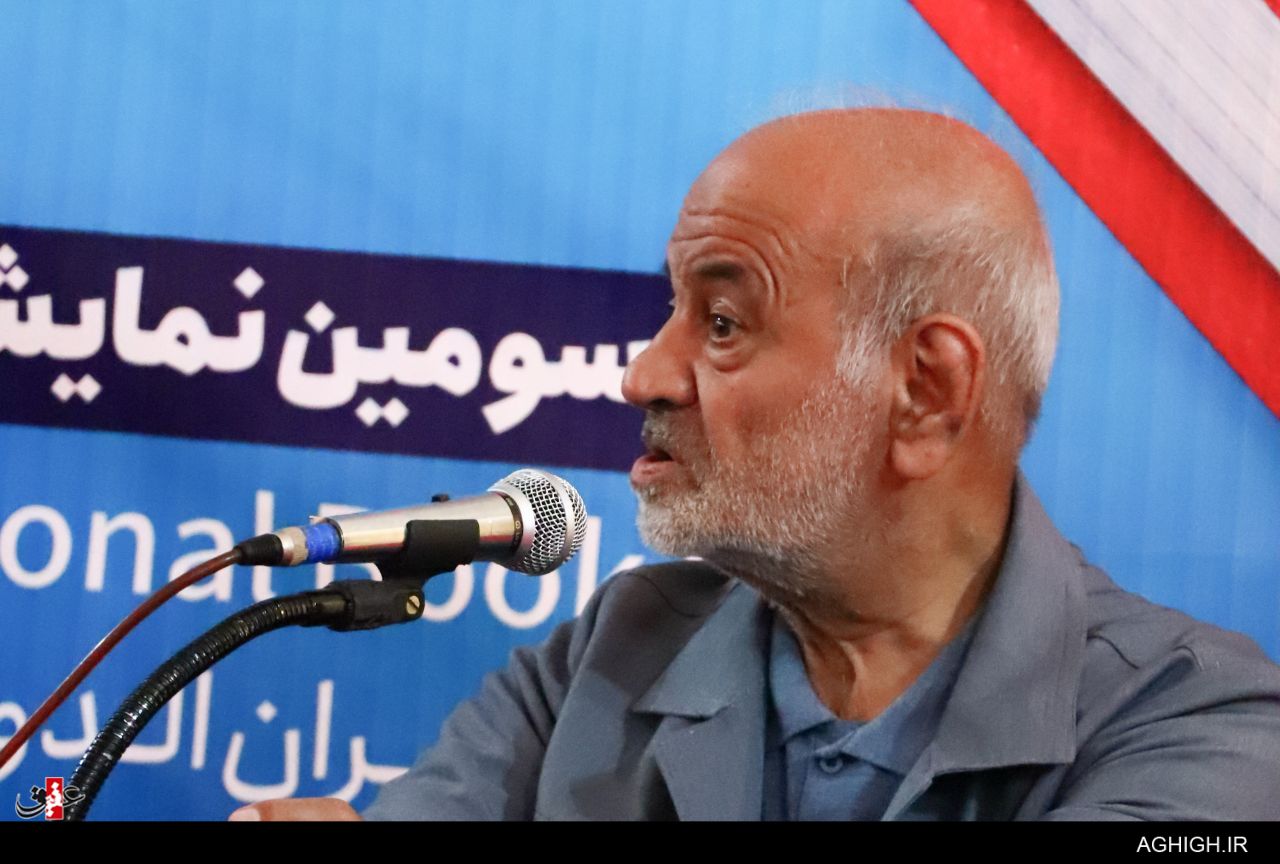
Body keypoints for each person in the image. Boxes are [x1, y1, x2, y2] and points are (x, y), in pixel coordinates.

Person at [230, 108, 1280, 822]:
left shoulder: (1206, 730)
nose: (643, 373)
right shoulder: (612, 653)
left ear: (925, 391)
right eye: (672, 310)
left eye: (723, 322)